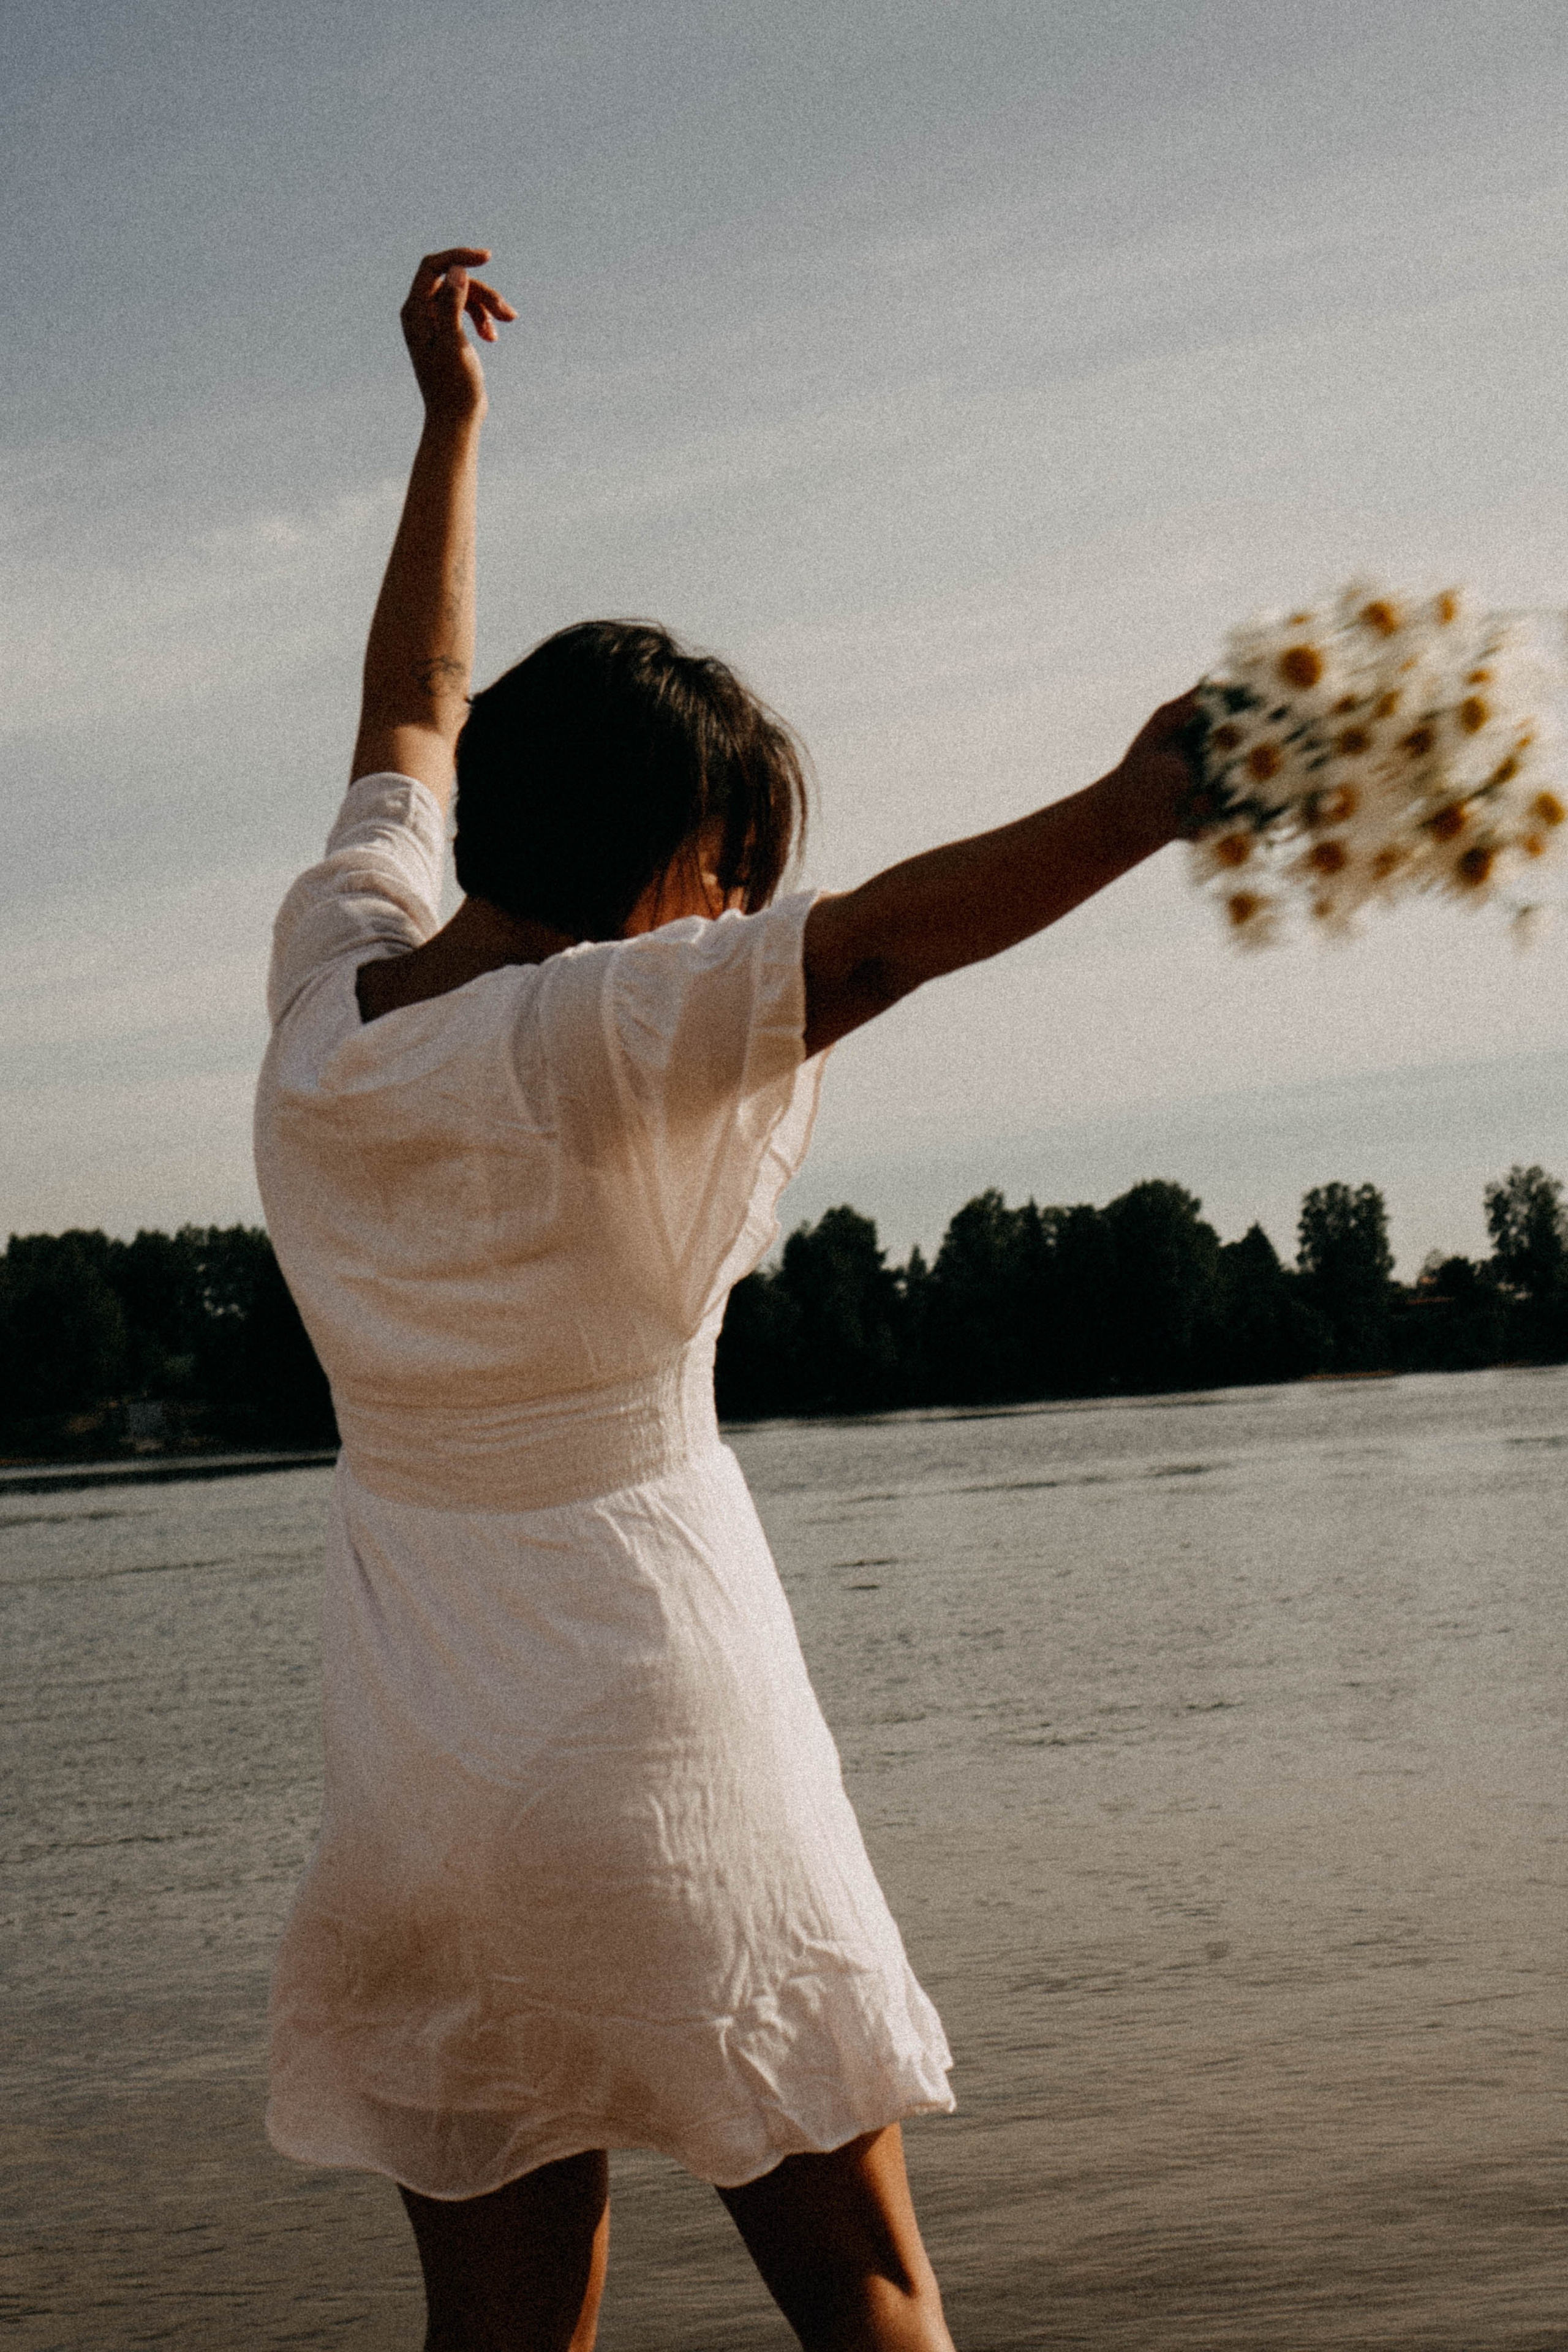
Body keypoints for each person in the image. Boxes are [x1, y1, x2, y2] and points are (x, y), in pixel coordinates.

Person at [254, 247, 1199, 2352]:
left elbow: (408, 709)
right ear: (665, 859)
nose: (741, 918)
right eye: (727, 867)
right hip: (652, 1731)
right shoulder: (610, 1028)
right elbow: (864, 953)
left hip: (416, 1774)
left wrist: (449, 427)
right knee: (863, 2288)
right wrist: (1143, 804)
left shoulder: (325, 1000)